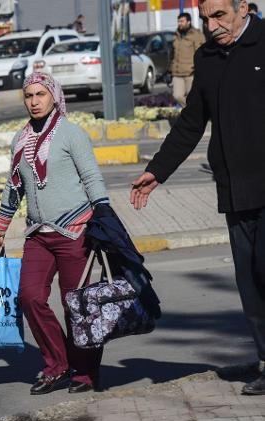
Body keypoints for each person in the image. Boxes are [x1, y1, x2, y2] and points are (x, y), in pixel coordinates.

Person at [131, 0, 265, 396]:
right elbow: (191, 123)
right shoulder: (208, 57)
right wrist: (157, 170)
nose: (212, 25)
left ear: (244, 9)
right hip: (234, 189)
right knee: (250, 283)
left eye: (219, 15)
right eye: (206, 18)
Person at [0, 72, 110, 395]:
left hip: (74, 231)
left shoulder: (71, 134)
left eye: (40, 95)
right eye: (29, 96)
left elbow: (92, 177)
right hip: (38, 234)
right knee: (29, 296)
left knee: (77, 306)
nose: (34, 101)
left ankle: (85, 372)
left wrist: (105, 213)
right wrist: (0, 226)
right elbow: (13, 187)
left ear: (54, 96)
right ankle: (58, 364)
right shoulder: (20, 139)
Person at [170, 12, 205, 107]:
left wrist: (198, 68)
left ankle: (195, 113)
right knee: (177, 96)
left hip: (191, 72)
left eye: (182, 21)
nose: (179, 23)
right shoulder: (176, 35)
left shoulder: (196, 35)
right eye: (178, 21)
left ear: (188, 22)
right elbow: (172, 53)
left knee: (193, 96)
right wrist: (170, 68)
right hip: (177, 73)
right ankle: (193, 110)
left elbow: (201, 53)